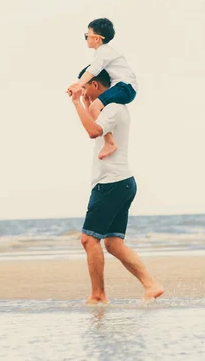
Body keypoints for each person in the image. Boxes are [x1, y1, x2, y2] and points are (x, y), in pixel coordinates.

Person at [69, 68, 163, 304]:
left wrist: (76, 102)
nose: (84, 93)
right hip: (120, 182)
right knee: (112, 243)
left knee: (88, 239)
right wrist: (85, 102)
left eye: (86, 87)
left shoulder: (112, 109)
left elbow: (92, 131)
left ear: (97, 86)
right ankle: (151, 285)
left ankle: (98, 295)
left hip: (111, 182)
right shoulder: (109, 109)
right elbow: (95, 125)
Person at [67, 18, 138, 160]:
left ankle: (110, 142)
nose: (86, 38)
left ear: (97, 39)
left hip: (125, 87)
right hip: (124, 87)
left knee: (94, 108)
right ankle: (109, 141)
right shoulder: (105, 52)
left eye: (87, 35)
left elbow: (93, 70)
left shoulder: (104, 52)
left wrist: (79, 84)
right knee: (93, 108)